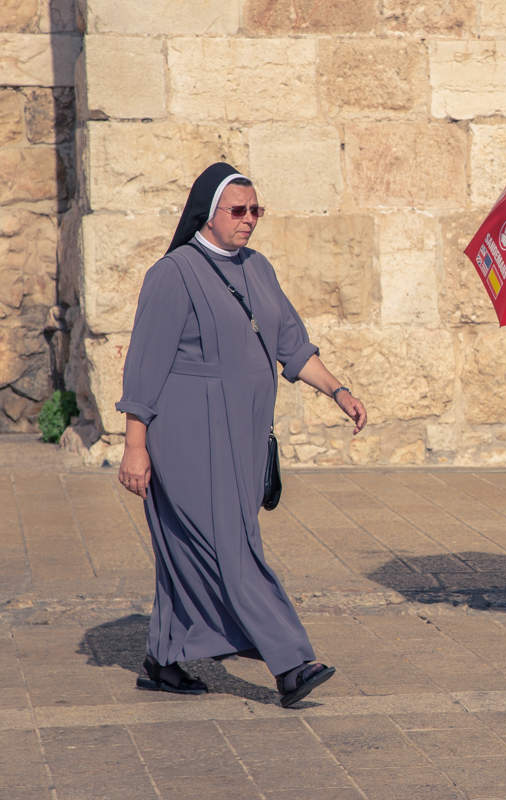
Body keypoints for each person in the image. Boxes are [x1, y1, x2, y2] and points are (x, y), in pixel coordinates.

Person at [116, 162, 367, 707]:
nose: (249, 220)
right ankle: (291, 663)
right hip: (185, 439)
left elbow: (293, 347)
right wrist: (135, 446)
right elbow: (144, 367)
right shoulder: (173, 273)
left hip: (241, 440)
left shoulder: (259, 268)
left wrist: (339, 392)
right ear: (209, 214)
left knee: (191, 548)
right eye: (239, 210)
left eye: (256, 210)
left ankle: (163, 658)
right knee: (231, 549)